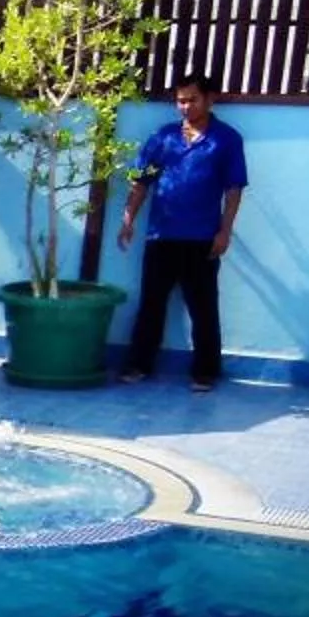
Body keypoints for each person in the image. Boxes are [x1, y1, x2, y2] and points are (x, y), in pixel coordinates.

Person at [116, 72, 247, 392]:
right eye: (180, 101)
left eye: (192, 100)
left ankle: (205, 372)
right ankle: (139, 365)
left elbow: (234, 189)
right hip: (161, 236)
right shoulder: (164, 137)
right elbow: (141, 182)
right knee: (151, 304)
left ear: (210, 99)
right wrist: (128, 219)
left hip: (203, 238)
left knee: (203, 308)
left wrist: (225, 231)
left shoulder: (227, 139)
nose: (185, 106)